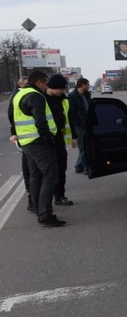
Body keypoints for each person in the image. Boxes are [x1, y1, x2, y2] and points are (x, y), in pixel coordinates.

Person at [11, 70, 64, 226]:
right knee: (51, 176)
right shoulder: (36, 96)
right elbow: (41, 122)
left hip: (26, 142)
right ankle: (45, 214)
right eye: (45, 83)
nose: (46, 86)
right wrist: (49, 141)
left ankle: (37, 208)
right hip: (38, 142)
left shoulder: (19, 95)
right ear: (40, 82)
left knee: (35, 176)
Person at [44, 74, 77, 206]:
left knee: (61, 168)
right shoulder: (41, 99)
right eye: (60, 89)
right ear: (52, 87)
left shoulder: (64, 100)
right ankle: (42, 200)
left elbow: (70, 118)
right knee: (47, 171)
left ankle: (60, 196)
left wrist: (73, 137)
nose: (63, 91)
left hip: (59, 139)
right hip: (44, 139)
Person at [7, 76, 33, 211]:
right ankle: (30, 190)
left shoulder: (25, 94)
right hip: (25, 136)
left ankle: (31, 191)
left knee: (30, 163)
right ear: (20, 84)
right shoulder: (17, 96)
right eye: (26, 84)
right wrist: (14, 132)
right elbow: (12, 115)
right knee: (28, 164)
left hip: (27, 135)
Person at [67, 78, 91, 174]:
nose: (88, 86)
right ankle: (85, 167)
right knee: (83, 146)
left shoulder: (86, 95)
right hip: (79, 125)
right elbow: (71, 112)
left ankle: (78, 166)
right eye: (87, 84)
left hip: (87, 123)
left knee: (85, 146)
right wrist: (76, 123)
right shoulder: (72, 96)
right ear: (82, 85)